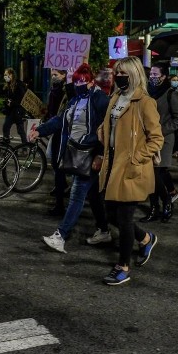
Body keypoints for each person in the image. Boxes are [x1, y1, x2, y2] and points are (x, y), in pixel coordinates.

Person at [97, 56, 164, 285]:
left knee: (124, 218)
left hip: (131, 168)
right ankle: (146, 238)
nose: (118, 76)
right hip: (113, 164)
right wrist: (102, 131)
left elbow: (156, 139)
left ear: (134, 74)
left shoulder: (145, 102)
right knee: (111, 215)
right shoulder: (116, 96)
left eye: (123, 73)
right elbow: (111, 123)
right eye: (117, 72)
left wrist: (136, 157)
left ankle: (122, 266)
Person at [32, 64, 110, 252]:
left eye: (82, 81)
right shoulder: (75, 100)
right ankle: (105, 230)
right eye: (75, 81)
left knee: (77, 195)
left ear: (91, 82)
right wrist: (39, 131)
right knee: (93, 195)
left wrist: (100, 154)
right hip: (77, 153)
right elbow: (60, 120)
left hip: (90, 154)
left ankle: (61, 235)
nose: (78, 84)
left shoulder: (100, 99)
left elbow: (106, 129)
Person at [141, 63, 178, 222]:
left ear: (164, 76)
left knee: (156, 174)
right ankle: (154, 209)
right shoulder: (146, 92)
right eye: (151, 75)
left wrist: (160, 129)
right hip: (147, 139)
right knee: (149, 175)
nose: (152, 77)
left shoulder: (170, 93)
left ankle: (167, 201)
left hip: (164, 140)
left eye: (155, 75)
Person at [45, 69, 70, 217]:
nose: (53, 77)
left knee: (58, 165)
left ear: (64, 76)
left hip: (62, 133)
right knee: (55, 163)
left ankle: (60, 204)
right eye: (52, 74)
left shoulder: (66, 91)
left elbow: (61, 115)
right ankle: (61, 194)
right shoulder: (54, 89)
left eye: (56, 75)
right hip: (56, 131)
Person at [2, 67, 27, 143]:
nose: (5, 77)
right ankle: (6, 146)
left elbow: (21, 99)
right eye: (4, 75)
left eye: (6, 75)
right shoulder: (8, 85)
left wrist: (12, 102)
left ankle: (25, 147)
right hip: (10, 111)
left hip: (18, 111)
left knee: (20, 130)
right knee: (6, 127)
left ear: (11, 74)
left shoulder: (19, 85)